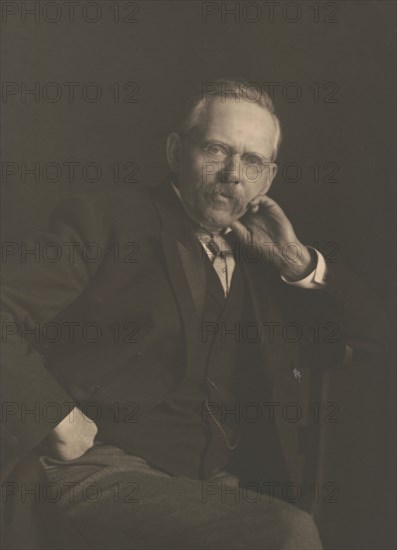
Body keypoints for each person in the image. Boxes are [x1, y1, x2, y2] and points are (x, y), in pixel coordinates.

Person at [1, 79, 384, 549]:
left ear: (267, 179)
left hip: (213, 480)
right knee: (286, 533)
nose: (233, 174)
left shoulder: (267, 258)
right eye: (217, 150)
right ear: (175, 151)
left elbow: (377, 336)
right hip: (98, 467)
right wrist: (54, 417)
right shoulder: (105, 222)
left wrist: (296, 260)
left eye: (252, 161)